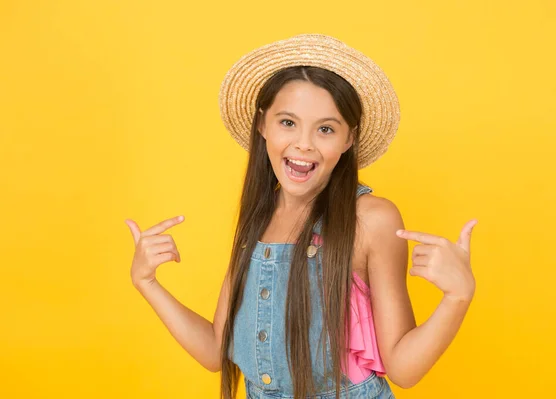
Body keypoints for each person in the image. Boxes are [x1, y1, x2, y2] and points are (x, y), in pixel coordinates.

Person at [125, 34, 477, 399]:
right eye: (288, 123)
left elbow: (404, 369)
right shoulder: (258, 220)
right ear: (262, 125)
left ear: (348, 139)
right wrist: (148, 283)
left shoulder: (372, 220)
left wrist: (457, 297)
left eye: (325, 129)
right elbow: (217, 350)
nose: (303, 143)